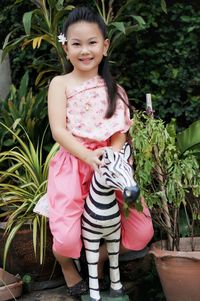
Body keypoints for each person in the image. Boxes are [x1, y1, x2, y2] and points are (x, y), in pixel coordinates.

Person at [46, 6, 154, 297]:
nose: (85, 50)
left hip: (110, 165)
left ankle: (97, 259)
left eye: (92, 42)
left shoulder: (115, 89)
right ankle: (70, 270)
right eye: (76, 44)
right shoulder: (61, 84)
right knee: (67, 238)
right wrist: (87, 156)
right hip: (75, 162)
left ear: (105, 46)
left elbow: (121, 132)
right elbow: (59, 130)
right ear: (66, 47)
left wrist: (110, 156)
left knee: (141, 231)